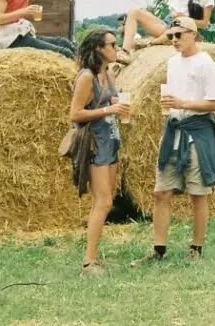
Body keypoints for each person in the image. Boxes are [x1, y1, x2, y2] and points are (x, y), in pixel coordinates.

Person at [134, 17, 215, 264]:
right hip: (173, 130)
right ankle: (158, 249)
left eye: (178, 35)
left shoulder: (206, 63)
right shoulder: (172, 63)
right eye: (171, 36)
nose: (174, 40)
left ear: (193, 34)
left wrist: (183, 104)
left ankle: (196, 248)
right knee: (161, 192)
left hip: (197, 132)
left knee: (198, 193)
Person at [68, 28, 129, 275]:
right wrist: (108, 111)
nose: (116, 49)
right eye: (112, 45)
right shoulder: (86, 77)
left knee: (106, 201)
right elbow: (75, 114)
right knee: (102, 202)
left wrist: (115, 104)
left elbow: (107, 101)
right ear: (98, 49)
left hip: (111, 140)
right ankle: (88, 261)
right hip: (94, 143)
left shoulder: (107, 73)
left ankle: (94, 257)